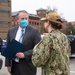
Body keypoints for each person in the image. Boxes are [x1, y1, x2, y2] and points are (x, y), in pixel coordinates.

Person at [5, 10, 41, 75]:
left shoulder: (35, 31)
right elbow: (8, 48)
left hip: (28, 67)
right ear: (17, 20)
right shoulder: (11, 31)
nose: (24, 20)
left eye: (26, 18)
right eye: (22, 19)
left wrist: (25, 54)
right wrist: (8, 65)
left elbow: (39, 49)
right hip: (14, 66)